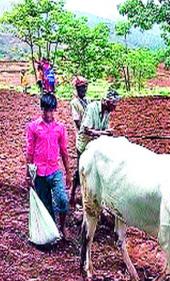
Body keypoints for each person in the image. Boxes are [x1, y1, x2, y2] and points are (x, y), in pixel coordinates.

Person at [26, 93, 71, 239]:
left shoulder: (60, 128)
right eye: (45, 110)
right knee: (46, 205)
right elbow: (30, 151)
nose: (48, 114)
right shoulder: (33, 127)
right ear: (42, 109)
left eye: (51, 110)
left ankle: (63, 227)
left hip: (55, 171)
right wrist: (28, 174)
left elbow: (64, 151)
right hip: (39, 173)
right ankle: (51, 232)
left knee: (63, 200)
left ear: (55, 110)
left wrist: (68, 173)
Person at [70, 89, 121, 206]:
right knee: (81, 171)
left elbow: (104, 129)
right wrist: (103, 133)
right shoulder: (92, 108)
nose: (114, 108)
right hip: (84, 144)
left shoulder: (107, 112)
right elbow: (86, 130)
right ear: (106, 102)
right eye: (113, 104)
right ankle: (73, 194)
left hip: (96, 146)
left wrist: (107, 132)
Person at [69, 76, 89, 206]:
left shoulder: (88, 100)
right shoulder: (74, 103)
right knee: (80, 169)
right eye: (81, 88)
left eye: (85, 87)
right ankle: (72, 195)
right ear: (77, 88)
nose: (84, 90)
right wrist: (89, 129)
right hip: (82, 139)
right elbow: (77, 122)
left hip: (90, 139)